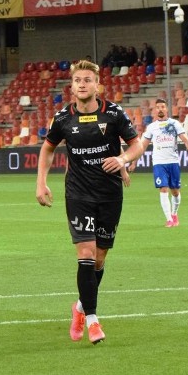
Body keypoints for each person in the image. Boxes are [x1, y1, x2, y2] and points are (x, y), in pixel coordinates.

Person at [35, 60, 143, 345]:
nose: (82, 84)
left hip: (109, 194)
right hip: (78, 194)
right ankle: (94, 321)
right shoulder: (62, 119)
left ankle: (81, 307)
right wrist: (41, 182)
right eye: (77, 80)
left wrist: (122, 160)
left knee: (99, 258)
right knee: (85, 251)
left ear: (98, 85)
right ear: (72, 87)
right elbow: (47, 150)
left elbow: (137, 145)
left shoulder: (114, 114)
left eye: (87, 80)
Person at [128, 99, 188, 227]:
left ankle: (174, 214)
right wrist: (134, 162)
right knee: (163, 189)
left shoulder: (174, 124)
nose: (160, 109)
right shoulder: (152, 127)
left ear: (166, 109)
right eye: (158, 107)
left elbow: (184, 138)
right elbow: (142, 146)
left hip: (173, 161)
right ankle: (168, 219)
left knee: (175, 191)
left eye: (163, 106)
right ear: (155, 110)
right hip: (159, 162)